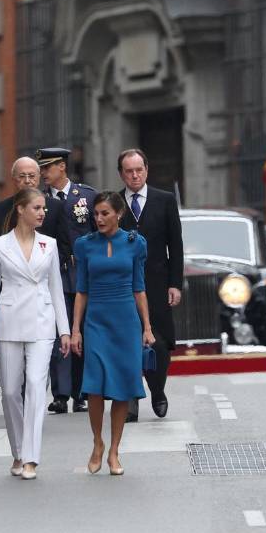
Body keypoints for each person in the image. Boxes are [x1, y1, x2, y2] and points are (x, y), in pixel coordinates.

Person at [71, 191, 154, 476]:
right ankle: (97, 443)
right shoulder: (85, 245)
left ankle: (115, 451)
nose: (99, 218)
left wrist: (147, 327)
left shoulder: (135, 244)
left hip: (126, 321)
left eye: (105, 213)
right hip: (96, 320)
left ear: (118, 214)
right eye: (96, 214)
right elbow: (81, 290)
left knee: (121, 387)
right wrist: (75, 330)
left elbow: (139, 288)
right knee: (94, 385)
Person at [0, 187, 70, 480]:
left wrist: (64, 330)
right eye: (36, 208)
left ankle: (31, 459)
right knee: (10, 390)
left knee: (37, 386)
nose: (42, 213)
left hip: (42, 320)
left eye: (43, 208)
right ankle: (18, 451)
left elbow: (56, 289)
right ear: (20, 209)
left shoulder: (49, 244)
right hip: (9, 321)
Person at [118, 148, 183, 423]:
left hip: (156, 283)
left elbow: (175, 245)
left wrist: (175, 284)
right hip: (122, 284)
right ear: (121, 174)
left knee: (157, 341)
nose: (134, 175)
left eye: (139, 170)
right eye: (129, 171)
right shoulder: (114, 203)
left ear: (147, 170)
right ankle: (132, 398)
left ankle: (158, 390)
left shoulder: (164, 200)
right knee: (127, 341)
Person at [37, 147, 96, 415]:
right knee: (57, 333)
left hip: (83, 275)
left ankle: (81, 392)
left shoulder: (86, 196)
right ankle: (60, 394)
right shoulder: (38, 202)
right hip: (54, 274)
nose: (43, 174)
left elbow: (97, 233)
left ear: (62, 166)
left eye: (47, 168)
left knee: (80, 331)